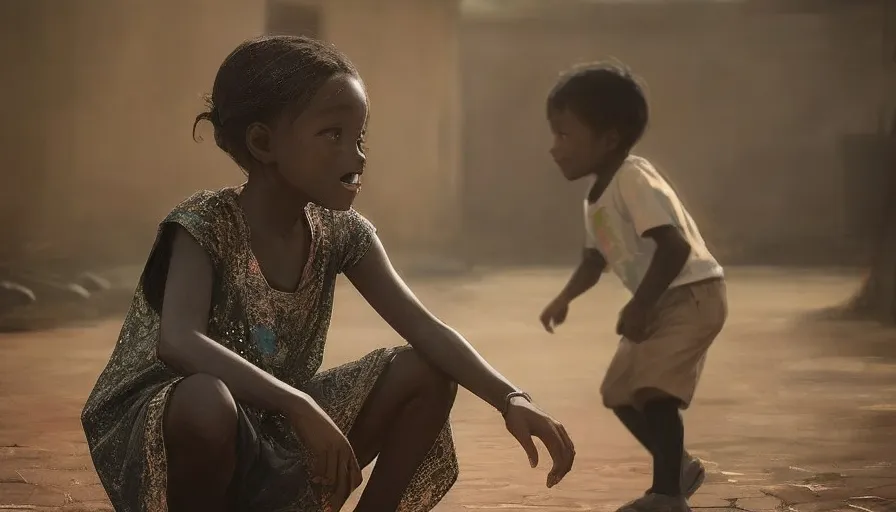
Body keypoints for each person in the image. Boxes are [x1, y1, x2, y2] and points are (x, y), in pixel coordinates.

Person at [81, 35, 575, 512]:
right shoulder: (202, 223)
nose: (356, 155)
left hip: (273, 427)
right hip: (177, 434)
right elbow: (179, 342)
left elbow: (424, 328)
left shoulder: (343, 233)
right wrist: (297, 404)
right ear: (262, 142)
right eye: (332, 134)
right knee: (208, 401)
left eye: (359, 137)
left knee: (427, 370)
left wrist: (511, 398)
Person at [538, 62, 727, 512]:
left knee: (654, 391)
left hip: (692, 294)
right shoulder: (596, 197)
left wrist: (641, 305)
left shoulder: (633, 178)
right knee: (620, 391)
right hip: (662, 300)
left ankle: (668, 494)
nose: (554, 148)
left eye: (565, 135)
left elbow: (674, 247)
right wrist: (563, 298)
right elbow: (593, 260)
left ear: (609, 138)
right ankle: (678, 466)